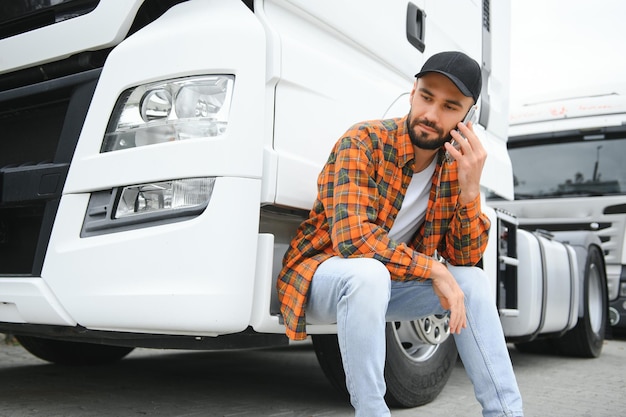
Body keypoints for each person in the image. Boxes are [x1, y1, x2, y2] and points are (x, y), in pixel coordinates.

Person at [276, 51, 523, 417]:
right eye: (426, 97)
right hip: (322, 276)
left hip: (387, 284)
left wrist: (471, 192)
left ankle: (505, 413)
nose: (431, 115)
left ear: (467, 118)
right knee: (368, 272)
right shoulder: (363, 141)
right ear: (412, 92)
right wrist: (435, 270)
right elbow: (354, 240)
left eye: (450, 106)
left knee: (472, 282)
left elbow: (465, 258)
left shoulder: (453, 170)